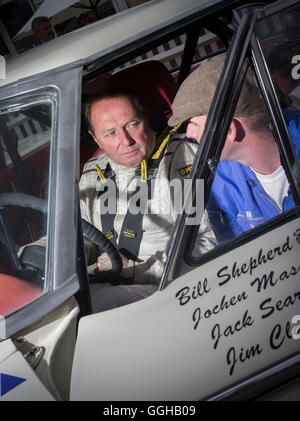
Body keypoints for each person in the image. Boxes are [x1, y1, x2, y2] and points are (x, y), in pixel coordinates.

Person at [79, 88, 216, 311]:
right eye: (110, 133)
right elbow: (82, 236)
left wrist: (139, 270)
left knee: (97, 302)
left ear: (145, 117)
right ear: (95, 138)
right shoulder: (92, 174)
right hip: (112, 286)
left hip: (177, 291)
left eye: (132, 124)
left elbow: (210, 239)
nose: (126, 141)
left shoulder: (180, 161)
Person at [168, 54, 300, 243]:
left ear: (229, 131)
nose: (188, 133)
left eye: (193, 123)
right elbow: (237, 255)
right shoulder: (218, 180)